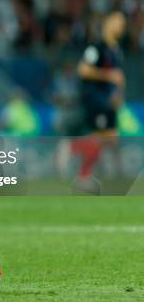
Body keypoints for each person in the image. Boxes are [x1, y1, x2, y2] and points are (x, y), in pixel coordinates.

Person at [63, 11, 126, 189]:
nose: (122, 26)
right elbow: (83, 69)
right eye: (118, 21)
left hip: (109, 100)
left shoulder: (117, 50)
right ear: (108, 23)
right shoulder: (97, 47)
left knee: (111, 138)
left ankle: (86, 172)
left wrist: (118, 95)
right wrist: (108, 76)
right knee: (101, 137)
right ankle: (72, 152)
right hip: (95, 98)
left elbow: (118, 78)